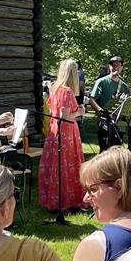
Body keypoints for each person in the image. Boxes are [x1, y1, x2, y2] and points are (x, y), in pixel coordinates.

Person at [39, 59, 87, 213]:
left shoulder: (55, 88)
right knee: (68, 164)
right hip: (67, 132)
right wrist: (79, 112)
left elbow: (53, 112)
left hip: (55, 130)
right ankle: (69, 201)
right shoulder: (67, 91)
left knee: (56, 165)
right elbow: (65, 116)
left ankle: (53, 200)